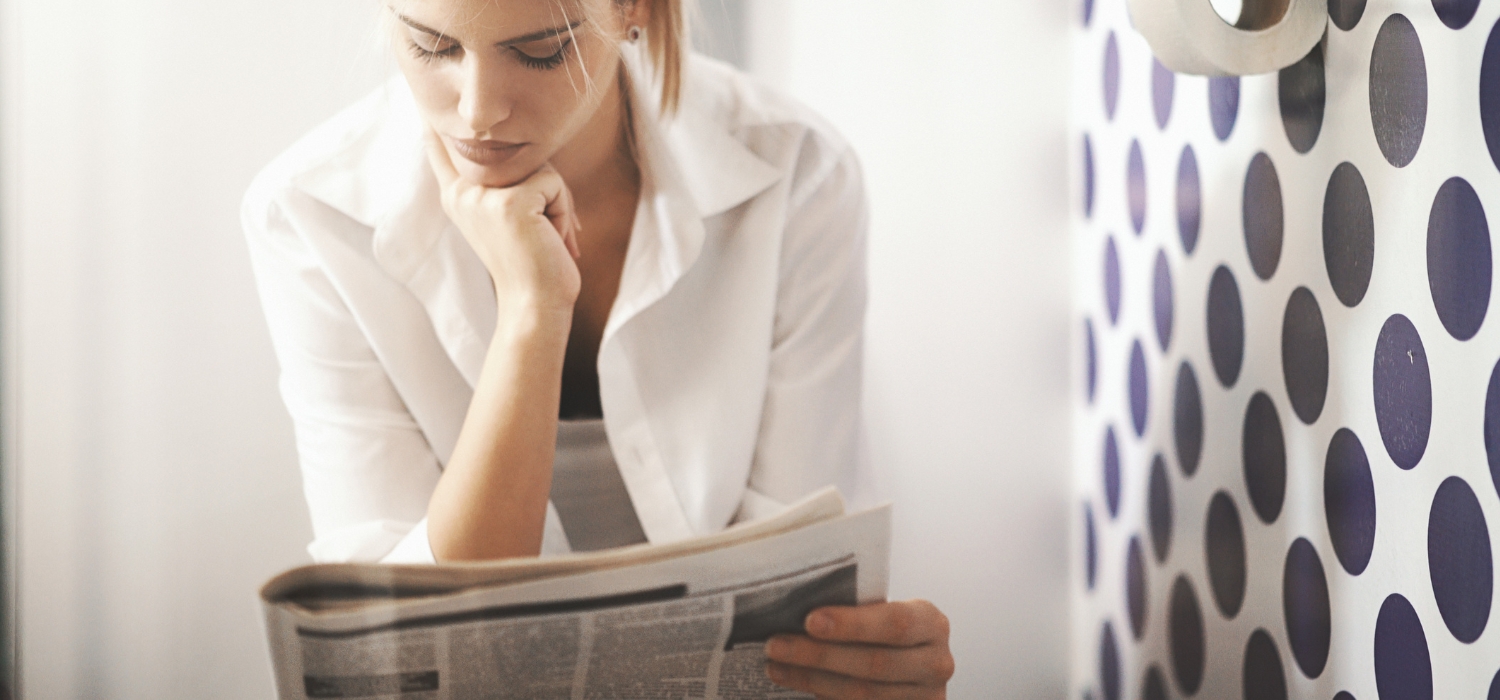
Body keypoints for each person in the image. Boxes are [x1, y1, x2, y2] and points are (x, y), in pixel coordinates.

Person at [243, 0, 954, 696]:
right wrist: (532, 311)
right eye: (432, 46)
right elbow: (401, 634)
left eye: (541, 50)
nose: (478, 110)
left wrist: (860, 674)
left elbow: (801, 608)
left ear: (633, 10)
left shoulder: (799, 174)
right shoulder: (310, 217)